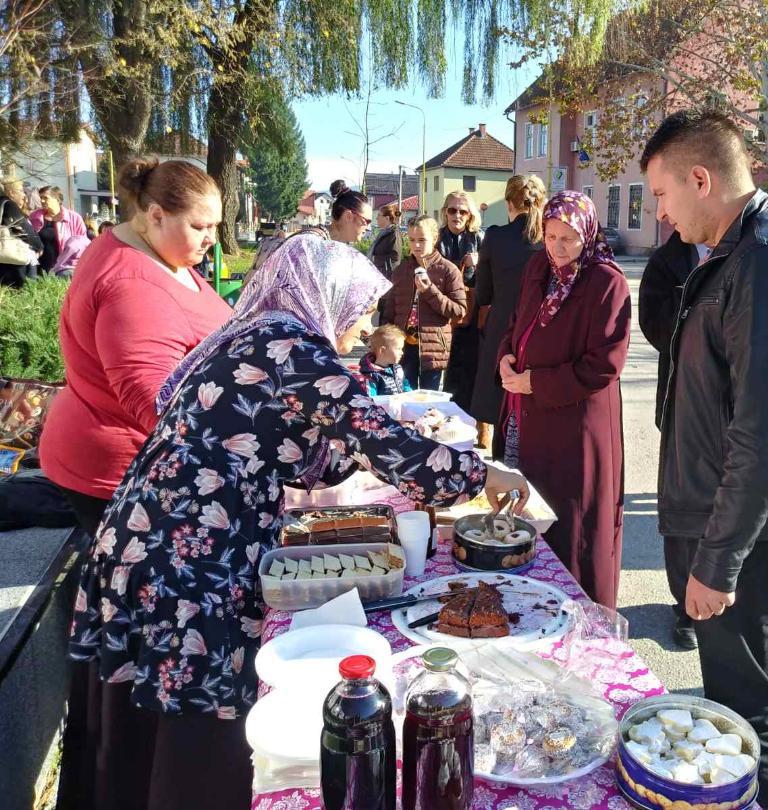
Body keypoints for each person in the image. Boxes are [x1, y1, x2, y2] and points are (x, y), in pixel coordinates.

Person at [57, 233, 528, 810]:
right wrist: (483, 474)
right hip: (186, 551)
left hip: (154, 531)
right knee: (189, 737)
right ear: (322, 294)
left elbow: (305, 450)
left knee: (141, 738)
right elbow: (386, 446)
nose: (357, 326)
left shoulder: (261, 333)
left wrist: (363, 449)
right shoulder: (291, 346)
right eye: (355, 309)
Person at [640, 109, 768, 810]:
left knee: (747, 708)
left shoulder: (767, 260)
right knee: (729, 699)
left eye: (662, 196)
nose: (660, 215)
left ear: (701, 177)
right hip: (732, 516)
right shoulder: (735, 251)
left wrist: (717, 559)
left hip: (757, 531)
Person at [38, 159, 233, 539]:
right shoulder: (133, 285)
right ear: (156, 214)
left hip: (137, 458)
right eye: (199, 227)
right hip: (125, 469)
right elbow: (152, 399)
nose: (211, 238)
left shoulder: (157, 249)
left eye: (214, 226)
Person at [497, 190, 631, 609]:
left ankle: (575, 613)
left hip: (574, 430)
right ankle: (526, 601)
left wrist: (536, 382)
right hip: (525, 416)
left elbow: (603, 365)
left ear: (587, 235)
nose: (556, 248)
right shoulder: (540, 267)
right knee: (526, 512)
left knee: (571, 525)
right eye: (550, 236)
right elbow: (518, 324)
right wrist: (505, 356)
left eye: (567, 238)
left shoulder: (607, 282)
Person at [638, 230, 704, 648]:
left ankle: (719, 594)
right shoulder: (668, 260)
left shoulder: (747, 248)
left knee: (727, 507)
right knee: (682, 510)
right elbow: (654, 325)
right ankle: (685, 607)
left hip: (739, 407)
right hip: (681, 400)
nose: (663, 213)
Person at [471, 175, 546, 450]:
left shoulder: (495, 237)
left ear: (508, 204)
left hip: (503, 330)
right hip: (541, 330)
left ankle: (504, 474)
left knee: (503, 407)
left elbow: (484, 295)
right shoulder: (550, 238)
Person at [383, 215, 466, 390]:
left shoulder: (448, 270)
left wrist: (429, 291)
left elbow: (459, 311)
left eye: (422, 240)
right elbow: (390, 310)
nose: (416, 245)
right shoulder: (401, 270)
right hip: (403, 345)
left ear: (434, 239)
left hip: (433, 347)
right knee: (404, 395)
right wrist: (385, 339)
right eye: (412, 240)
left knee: (428, 400)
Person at [439, 192, 485, 412]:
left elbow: (490, 278)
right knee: (442, 370)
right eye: (452, 210)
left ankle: (466, 417)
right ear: (445, 212)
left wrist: (479, 263)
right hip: (442, 310)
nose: (457, 215)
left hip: (470, 314)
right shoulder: (436, 237)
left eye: (462, 211)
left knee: (468, 368)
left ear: (470, 215)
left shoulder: (479, 239)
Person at [29, 185, 87, 273]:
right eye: (41, 198)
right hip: (38, 266)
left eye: (46, 198)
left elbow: (82, 244)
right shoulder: (35, 217)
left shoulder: (74, 218)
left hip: (64, 267)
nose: (42, 201)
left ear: (57, 199)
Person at [0, 180, 43, 287]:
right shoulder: (9, 205)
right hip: (14, 258)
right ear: (11, 192)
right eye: (21, 191)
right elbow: (21, 228)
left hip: (3, 258)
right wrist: (39, 245)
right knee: (23, 290)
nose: (24, 194)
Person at [356, 324, 412, 395]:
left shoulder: (397, 368)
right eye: (398, 349)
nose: (402, 352)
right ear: (382, 350)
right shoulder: (370, 374)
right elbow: (371, 399)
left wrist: (409, 394)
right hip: (383, 406)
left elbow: (405, 384)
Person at [369, 202, 403, 279]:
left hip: (387, 277)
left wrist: (376, 259)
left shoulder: (394, 234)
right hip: (379, 273)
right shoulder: (383, 233)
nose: (376, 218)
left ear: (387, 218)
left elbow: (395, 257)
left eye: (379, 216)